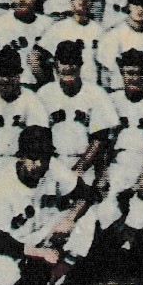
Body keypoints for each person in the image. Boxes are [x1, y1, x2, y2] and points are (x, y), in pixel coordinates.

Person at [0, 125, 99, 285]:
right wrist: (39, 253)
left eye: (44, 158)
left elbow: (88, 194)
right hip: (12, 240)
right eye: (33, 158)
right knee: (2, 281)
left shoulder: (53, 167)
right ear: (21, 157)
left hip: (42, 231)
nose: (39, 165)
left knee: (86, 216)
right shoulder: (3, 185)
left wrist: (71, 217)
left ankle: (57, 274)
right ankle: (28, 272)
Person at [95, 49, 143, 251]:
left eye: (139, 73)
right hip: (118, 162)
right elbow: (104, 144)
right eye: (129, 73)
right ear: (122, 73)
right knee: (104, 202)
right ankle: (121, 236)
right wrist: (102, 173)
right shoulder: (112, 100)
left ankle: (129, 243)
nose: (134, 78)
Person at [0, 47, 49, 206]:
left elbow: (38, 145)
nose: (6, 80)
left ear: (19, 75)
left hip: (20, 164)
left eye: (11, 75)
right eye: (2, 75)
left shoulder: (32, 101)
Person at [36, 40, 121, 183]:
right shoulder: (44, 94)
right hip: (51, 164)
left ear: (81, 64)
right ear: (55, 65)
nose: (68, 68)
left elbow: (98, 140)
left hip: (85, 166)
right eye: (64, 62)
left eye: (73, 62)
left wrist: (77, 171)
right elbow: (37, 137)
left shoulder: (96, 94)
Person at [36, 0, 108, 87]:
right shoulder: (58, 28)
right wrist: (48, 83)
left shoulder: (99, 31)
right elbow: (35, 58)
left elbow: (105, 67)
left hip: (91, 90)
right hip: (64, 89)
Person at [96, 0, 143, 91]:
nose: (140, 9)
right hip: (118, 92)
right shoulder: (112, 35)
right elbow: (105, 78)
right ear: (129, 5)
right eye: (136, 4)